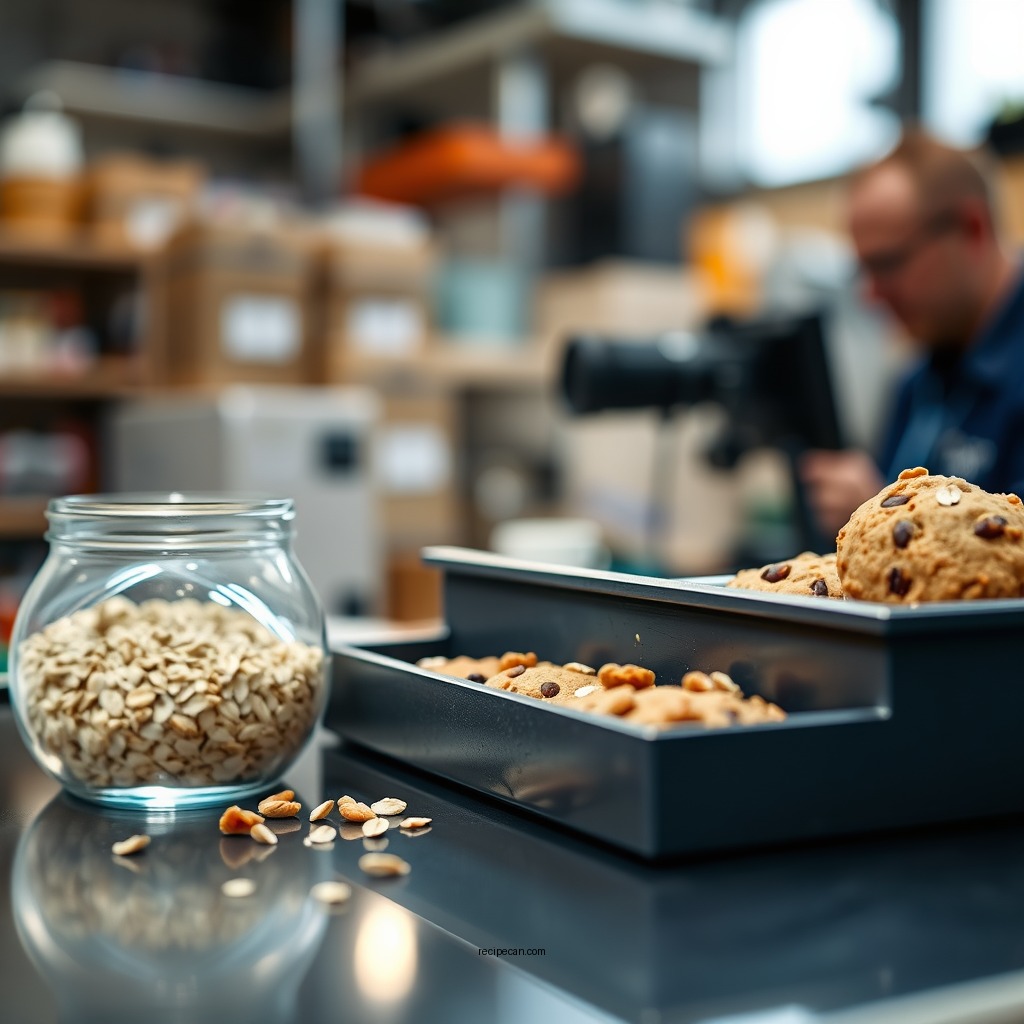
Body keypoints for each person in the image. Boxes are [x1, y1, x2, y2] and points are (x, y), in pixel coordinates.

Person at [800, 128, 1024, 539]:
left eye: (887, 264)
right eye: (863, 271)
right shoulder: (917, 381)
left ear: (971, 228)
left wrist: (888, 522)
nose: (871, 294)